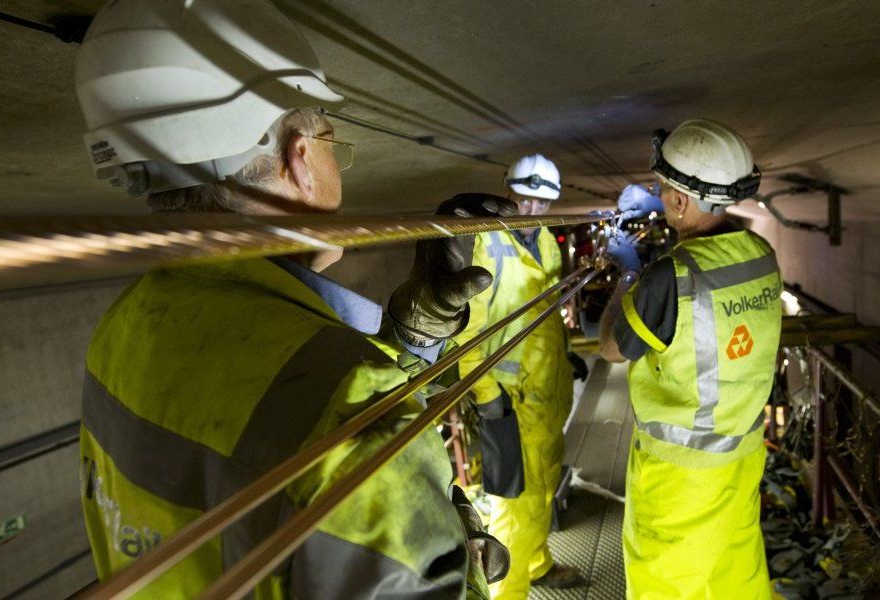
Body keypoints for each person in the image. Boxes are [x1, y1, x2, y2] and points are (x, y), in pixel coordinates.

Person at [74, 1, 511, 597]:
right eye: (329, 138)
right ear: (299, 159)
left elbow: (281, 424)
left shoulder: (120, 331)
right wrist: (465, 558)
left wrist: (415, 337)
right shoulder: (346, 413)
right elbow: (329, 415)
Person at [599, 119, 779, 599]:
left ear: (679, 201)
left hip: (679, 479)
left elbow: (611, 347)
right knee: (735, 579)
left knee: (668, 585)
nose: (660, 197)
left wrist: (628, 274)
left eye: (662, 190)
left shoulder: (669, 278)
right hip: (740, 461)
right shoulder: (761, 254)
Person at [454, 154, 582, 599]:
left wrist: (565, 355)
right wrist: (485, 394)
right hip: (508, 399)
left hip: (548, 392)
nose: (531, 212)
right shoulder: (486, 244)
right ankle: (509, 592)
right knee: (515, 509)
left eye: (541, 204)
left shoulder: (546, 239)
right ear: (508, 190)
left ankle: (539, 564)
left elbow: (547, 310)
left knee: (544, 488)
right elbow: (468, 332)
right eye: (524, 200)